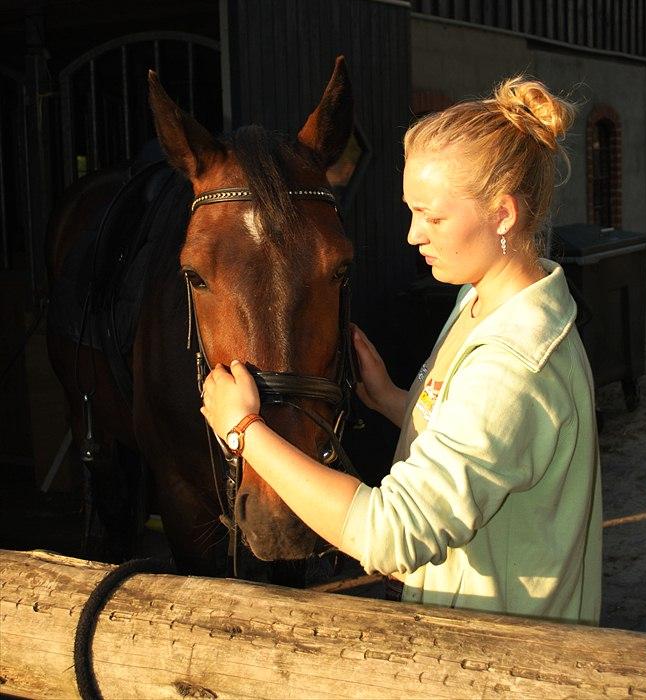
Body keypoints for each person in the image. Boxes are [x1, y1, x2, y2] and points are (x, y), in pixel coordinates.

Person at [201, 76, 602, 624]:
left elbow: (392, 535)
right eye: (411, 211)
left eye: (433, 217)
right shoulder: (482, 300)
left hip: (504, 657)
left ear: (503, 215)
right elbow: (488, 443)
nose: (413, 235)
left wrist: (244, 431)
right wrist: (395, 400)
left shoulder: (514, 363)